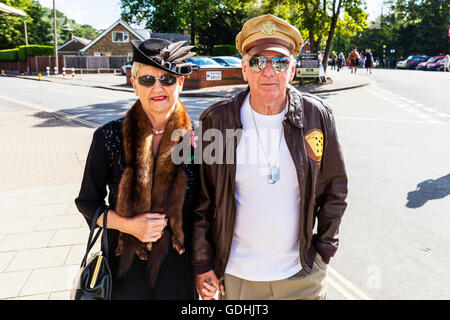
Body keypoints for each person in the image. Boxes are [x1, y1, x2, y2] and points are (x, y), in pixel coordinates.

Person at [192, 14, 348, 300]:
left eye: (279, 62)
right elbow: (204, 201)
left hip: (301, 276)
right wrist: (203, 264)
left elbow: (335, 190)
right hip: (238, 278)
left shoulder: (317, 116)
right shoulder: (218, 121)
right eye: (257, 61)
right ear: (244, 69)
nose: (268, 71)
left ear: (292, 70)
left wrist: (323, 250)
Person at [75, 38, 198, 300]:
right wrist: (128, 225)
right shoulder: (108, 137)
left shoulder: (199, 139)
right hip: (124, 270)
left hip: (179, 269)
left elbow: (206, 210)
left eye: (167, 79)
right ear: (133, 84)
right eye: (147, 79)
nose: (158, 87)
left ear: (181, 83)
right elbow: (87, 201)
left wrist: (207, 268)